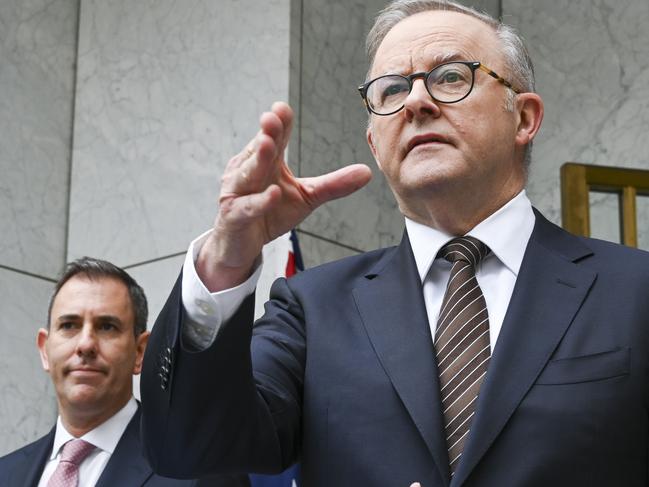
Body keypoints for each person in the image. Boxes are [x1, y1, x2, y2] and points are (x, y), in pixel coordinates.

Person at [140, 1, 649, 486]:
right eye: (391, 90)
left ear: (524, 118)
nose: (417, 102)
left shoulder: (634, 291)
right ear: (374, 144)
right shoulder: (314, 309)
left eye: (451, 76)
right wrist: (226, 260)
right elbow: (191, 446)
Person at [0, 257, 249, 487]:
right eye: (69, 325)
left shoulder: (203, 472)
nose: (85, 344)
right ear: (45, 350)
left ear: (140, 352)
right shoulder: (5, 473)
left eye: (107, 326)